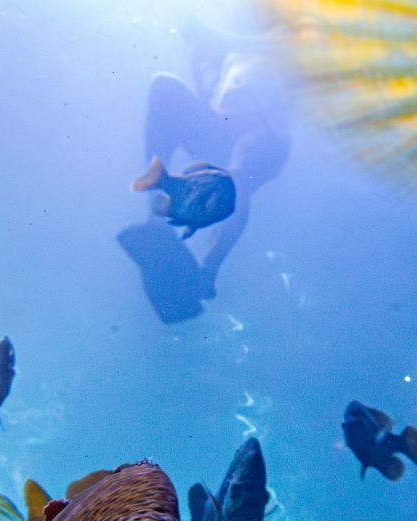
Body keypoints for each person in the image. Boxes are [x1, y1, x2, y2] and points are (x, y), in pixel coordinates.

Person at [118, 15, 291, 322]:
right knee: (165, 88)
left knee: (235, 183)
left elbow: (277, 45)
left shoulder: (257, 129)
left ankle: (194, 252)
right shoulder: (230, 62)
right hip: (226, 125)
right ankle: (161, 216)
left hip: (255, 130)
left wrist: (212, 266)